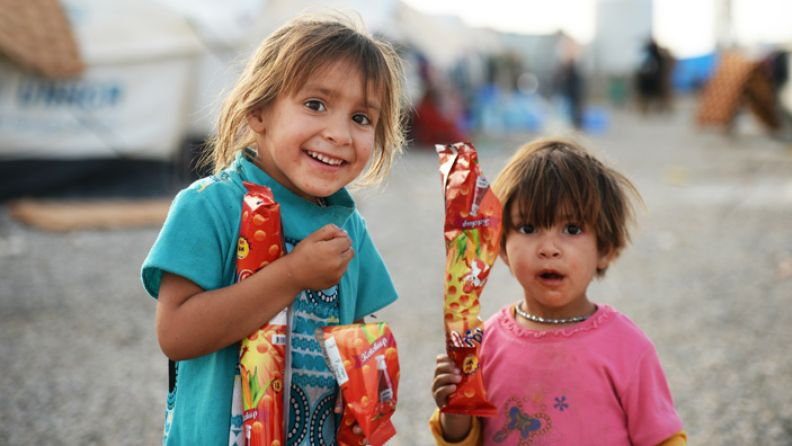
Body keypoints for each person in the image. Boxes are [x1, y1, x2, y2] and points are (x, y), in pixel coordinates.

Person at [140, 14, 405, 445]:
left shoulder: (348, 227)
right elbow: (176, 334)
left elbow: (356, 326)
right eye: (316, 104)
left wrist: (366, 375)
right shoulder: (211, 206)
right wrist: (292, 275)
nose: (339, 134)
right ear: (258, 112)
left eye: (361, 118)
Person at [429, 137, 686, 445]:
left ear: (605, 248)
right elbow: (465, 440)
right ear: (500, 246)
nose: (549, 248)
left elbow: (663, 438)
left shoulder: (627, 348)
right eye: (528, 228)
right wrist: (454, 412)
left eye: (572, 229)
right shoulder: (482, 346)